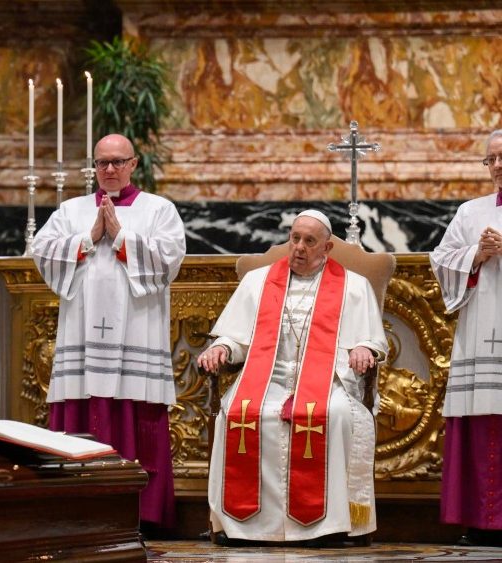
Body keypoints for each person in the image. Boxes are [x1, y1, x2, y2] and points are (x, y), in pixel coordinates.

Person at [197, 210, 388, 544]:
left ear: (327, 248)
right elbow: (237, 338)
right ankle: (241, 524)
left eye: (309, 241)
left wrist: (364, 349)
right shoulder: (258, 282)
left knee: (335, 414)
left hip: (327, 382)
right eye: (294, 238)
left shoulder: (353, 287)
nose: (298, 247)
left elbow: (369, 340)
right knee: (237, 412)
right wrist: (222, 348)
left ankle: (326, 525)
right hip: (266, 380)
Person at [30, 133, 186, 535]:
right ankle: (75, 513)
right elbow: (42, 251)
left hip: (137, 333)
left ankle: (143, 515)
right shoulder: (71, 210)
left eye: (119, 162)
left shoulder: (159, 210)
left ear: (135, 164)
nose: (110, 170)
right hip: (82, 337)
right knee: (82, 412)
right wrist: (88, 238)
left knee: (136, 415)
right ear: (93, 167)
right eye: (102, 163)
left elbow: (169, 260)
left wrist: (119, 236)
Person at [431, 129, 502, 546]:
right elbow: (441, 259)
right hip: (480, 327)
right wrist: (477, 255)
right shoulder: (470, 212)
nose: (496, 167)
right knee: (480, 419)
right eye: (490, 159)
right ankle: (480, 519)